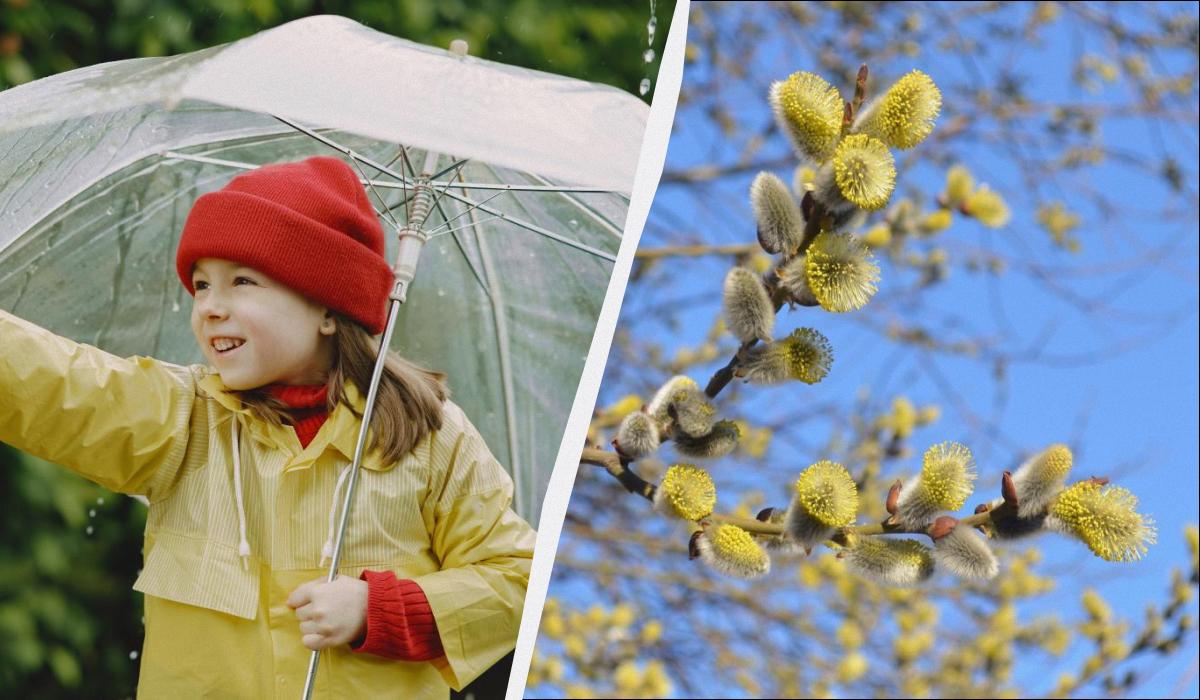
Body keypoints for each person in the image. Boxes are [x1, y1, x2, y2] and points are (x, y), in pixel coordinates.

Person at [0, 156, 536, 698]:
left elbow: (518, 578)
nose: (210, 306)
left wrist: (380, 609)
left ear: (327, 309)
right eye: (202, 284)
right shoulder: (182, 420)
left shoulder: (430, 438)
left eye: (242, 281)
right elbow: (55, 383)